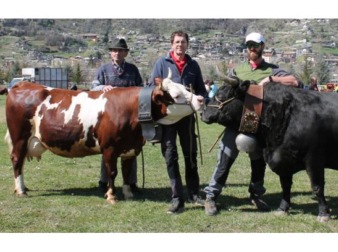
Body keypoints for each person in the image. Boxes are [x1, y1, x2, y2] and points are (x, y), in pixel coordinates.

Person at [203, 32, 300, 216]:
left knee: (258, 161)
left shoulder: (271, 69)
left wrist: (270, 80)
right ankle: (211, 196)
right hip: (235, 124)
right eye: (249, 45)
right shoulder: (237, 71)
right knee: (225, 158)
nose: (251, 49)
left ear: (262, 46)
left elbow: (294, 81)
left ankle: (256, 194)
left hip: (257, 124)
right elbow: (224, 92)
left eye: (255, 45)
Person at [148, 30, 206, 214]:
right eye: (177, 42)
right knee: (170, 156)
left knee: (190, 155)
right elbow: (151, 88)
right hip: (167, 119)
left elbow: (202, 91)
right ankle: (176, 198)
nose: (180, 45)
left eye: (183, 42)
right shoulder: (161, 63)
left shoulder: (193, 65)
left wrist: (202, 98)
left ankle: (194, 193)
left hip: (187, 118)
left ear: (187, 44)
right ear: (171, 44)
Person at [91, 38, 143, 193]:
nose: (117, 53)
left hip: (129, 120)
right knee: (108, 150)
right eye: (114, 50)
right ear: (110, 53)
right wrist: (103, 87)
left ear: (126, 53)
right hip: (109, 119)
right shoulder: (103, 69)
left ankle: (131, 183)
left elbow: (141, 89)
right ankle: (104, 181)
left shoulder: (133, 70)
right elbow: (93, 87)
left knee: (131, 152)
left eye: (120, 50)